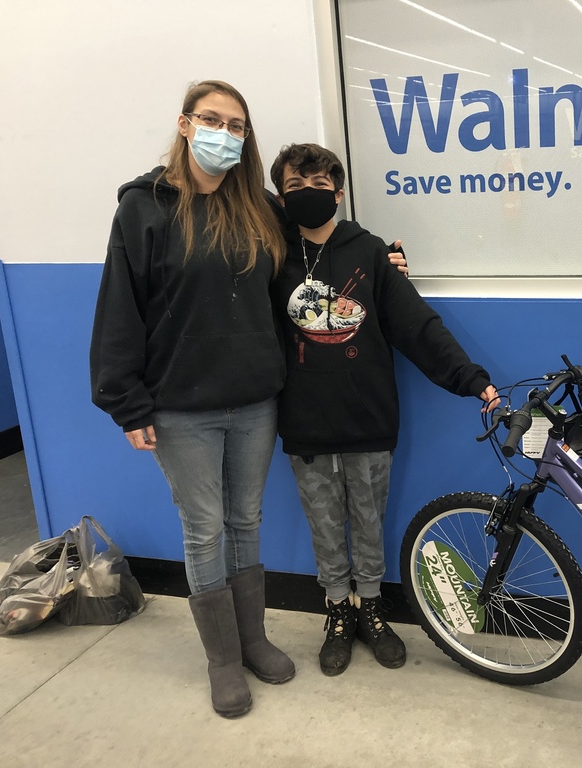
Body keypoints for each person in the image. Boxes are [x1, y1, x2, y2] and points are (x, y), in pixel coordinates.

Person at [89, 80, 297, 718]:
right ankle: (223, 660)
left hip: (255, 400)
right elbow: (120, 310)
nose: (226, 134)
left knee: (246, 522)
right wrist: (127, 402)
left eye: (237, 126)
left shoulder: (259, 206)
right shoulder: (143, 208)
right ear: (184, 125)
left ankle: (254, 638)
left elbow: (289, 293)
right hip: (180, 407)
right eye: (213, 120)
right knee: (204, 531)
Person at [269, 143, 499, 676]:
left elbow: (417, 326)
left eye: (318, 186)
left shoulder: (370, 252)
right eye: (294, 188)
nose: (307, 196)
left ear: (340, 193)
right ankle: (337, 610)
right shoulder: (270, 256)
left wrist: (472, 381)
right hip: (304, 422)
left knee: (368, 520)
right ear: (280, 196)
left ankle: (371, 606)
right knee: (325, 524)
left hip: (368, 416)